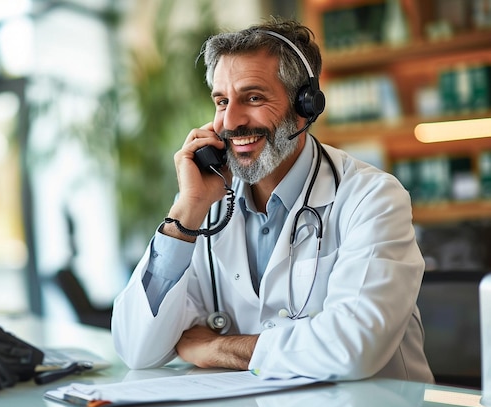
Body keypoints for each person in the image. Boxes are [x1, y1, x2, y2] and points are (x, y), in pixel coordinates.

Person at [111, 17, 434, 383]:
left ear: (305, 106)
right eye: (221, 101)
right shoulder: (207, 205)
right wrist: (187, 210)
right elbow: (136, 348)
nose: (229, 122)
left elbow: (353, 348)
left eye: (252, 97)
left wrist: (216, 348)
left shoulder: (373, 198)